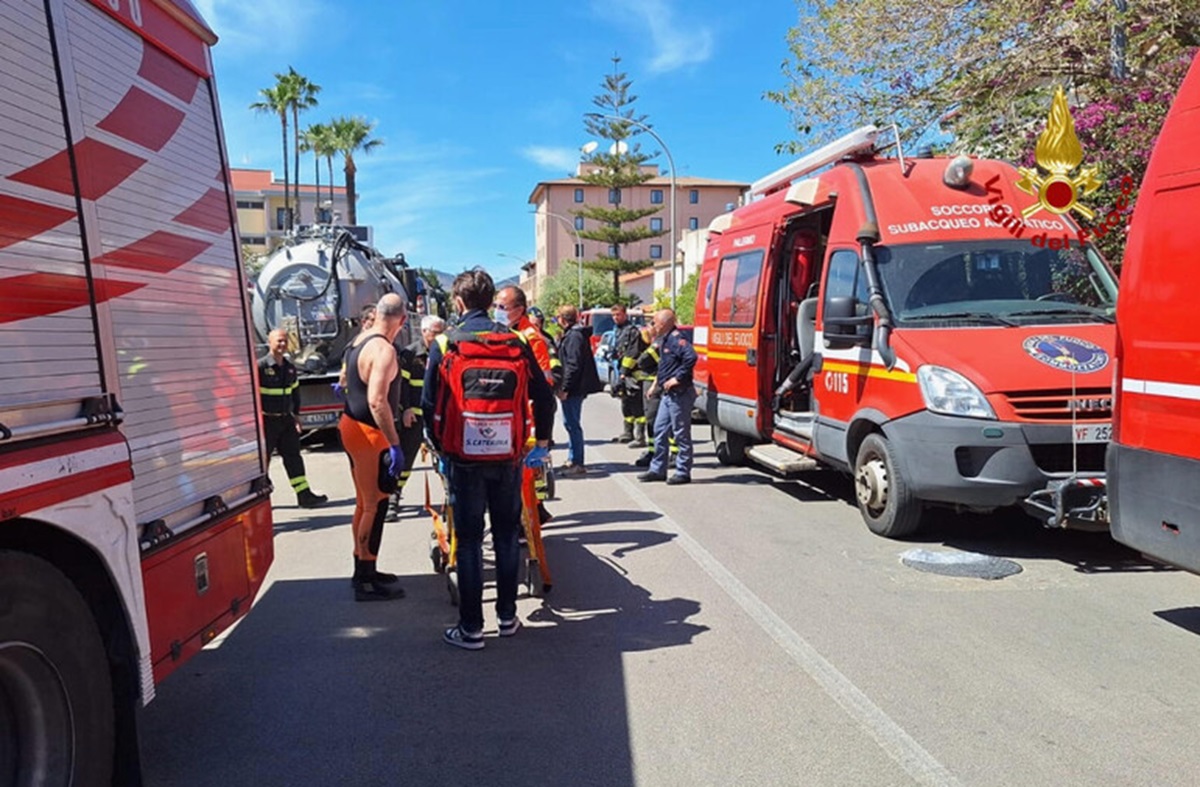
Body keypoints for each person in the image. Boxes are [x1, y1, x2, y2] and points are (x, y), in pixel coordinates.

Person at [423, 269, 555, 650]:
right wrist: (540, 442)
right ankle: (508, 617)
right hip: (509, 457)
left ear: (460, 303)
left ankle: (471, 628)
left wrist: (442, 447)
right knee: (506, 536)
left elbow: (429, 404)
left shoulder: (446, 342)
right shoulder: (515, 340)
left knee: (467, 542)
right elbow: (544, 396)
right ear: (490, 301)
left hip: (463, 459)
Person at [339, 293, 409, 601]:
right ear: (402, 321)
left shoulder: (359, 341)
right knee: (376, 503)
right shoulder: (384, 350)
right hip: (369, 433)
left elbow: (346, 380)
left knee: (363, 502)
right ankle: (366, 578)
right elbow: (378, 401)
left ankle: (363, 564)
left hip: (351, 426)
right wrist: (394, 444)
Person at [495, 286, 559, 522]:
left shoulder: (530, 338)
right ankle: (534, 513)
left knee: (529, 475)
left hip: (531, 413)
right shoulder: (512, 332)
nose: (497, 311)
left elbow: (543, 383)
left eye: (502, 307)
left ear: (519, 310)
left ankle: (532, 517)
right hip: (519, 413)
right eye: (496, 306)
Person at [385, 314, 445, 522]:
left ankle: (453, 500)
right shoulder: (410, 355)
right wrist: (406, 408)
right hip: (415, 417)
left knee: (446, 460)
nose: (438, 336)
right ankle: (393, 499)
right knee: (405, 460)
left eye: (441, 332)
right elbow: (400, 386)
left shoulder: (446, 352)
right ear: (424, 331)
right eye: (435, 332)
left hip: (439, 418)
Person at [259, 329, 327, 508]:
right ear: (269, 342)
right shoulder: (260, 367)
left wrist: (297, 415)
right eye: (278, 341)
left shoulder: (289, 367)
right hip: (267, 422)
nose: (282, 345)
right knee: (262, 461)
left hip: (286, 421)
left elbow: (295, 393)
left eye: (284, 341)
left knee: (294, 457)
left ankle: (304, 495)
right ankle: (261, 499)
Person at [638, 309, 698, 486]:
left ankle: (683, 471)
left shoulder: (677, 339)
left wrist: (677, 378)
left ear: (664, 323)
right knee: (659, 429)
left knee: (681, 433)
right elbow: (665, 366)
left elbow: (691, 357)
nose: (652, 326)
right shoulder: (663, 339)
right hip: (666, 394)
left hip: (680, 393)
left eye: (655, 322)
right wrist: (656, 385)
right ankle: (658, 469)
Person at [555, 304, 603, 476]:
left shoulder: (574, 336)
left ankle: (577, 462)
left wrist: (565, 388)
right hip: (574, 388)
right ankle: (572, 458)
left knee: (572, 424)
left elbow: (573, 365)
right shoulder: (572, 335)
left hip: (573, 389)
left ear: (563, 318)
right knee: (570, 424)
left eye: (558, 317)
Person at [615, 306, 651, 447]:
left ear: (625, 314)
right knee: (626, 405)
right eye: (614, 315)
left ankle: (640, 437)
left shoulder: (632, 331)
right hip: (624, 375)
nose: (615, 317)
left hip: (634, 376)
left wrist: (624, 371)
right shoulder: (619, 331)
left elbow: (632, 354)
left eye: (618, 314)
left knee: (637, 407)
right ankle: (627, 433)